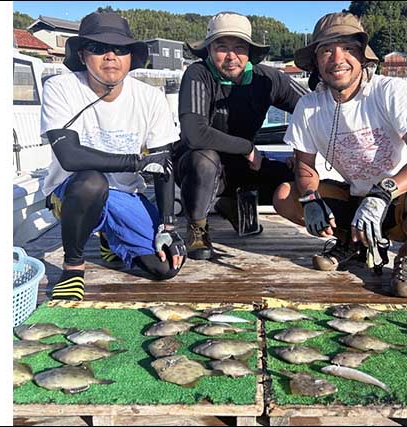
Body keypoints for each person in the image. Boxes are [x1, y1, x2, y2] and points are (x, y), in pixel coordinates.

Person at [273, 13, 407, 298]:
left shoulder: (390, 92)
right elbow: (305, 168)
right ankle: (350, 242)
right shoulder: (308, 107)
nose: (337, 58)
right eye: (326, 50)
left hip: (398, 201)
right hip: (353, 196)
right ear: (316, 61)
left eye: (348, 48)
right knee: (286, 195)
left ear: (363, 56)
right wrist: (310, 199)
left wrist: (383, 192)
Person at [40, 12, 187, 301]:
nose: (110, 56)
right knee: (93, 182)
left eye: (120, 49)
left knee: (164, 267)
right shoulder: (61, 88)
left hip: (124, 194)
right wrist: (136, 162)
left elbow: (162, 164)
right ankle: (73, 267)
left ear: (131, 57)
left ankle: (110, 236)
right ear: (82, 55)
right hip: (73, 191)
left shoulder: (150, 97)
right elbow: (69, 157)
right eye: (98, 48)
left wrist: (168, 226)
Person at [175, 11, 309, 260]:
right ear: (209, 49)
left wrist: (302, 153)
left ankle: (230, 203)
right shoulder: (197, 74)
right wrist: (247, 147)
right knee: (204, 158)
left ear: (249, 51)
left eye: (239, 47)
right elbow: (194, 134)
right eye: (221, 47)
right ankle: (197, 227)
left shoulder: (267, 78)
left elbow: (313, 108)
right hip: (198, 166)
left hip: (242, 167)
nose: (231, 56)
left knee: (298, 176)